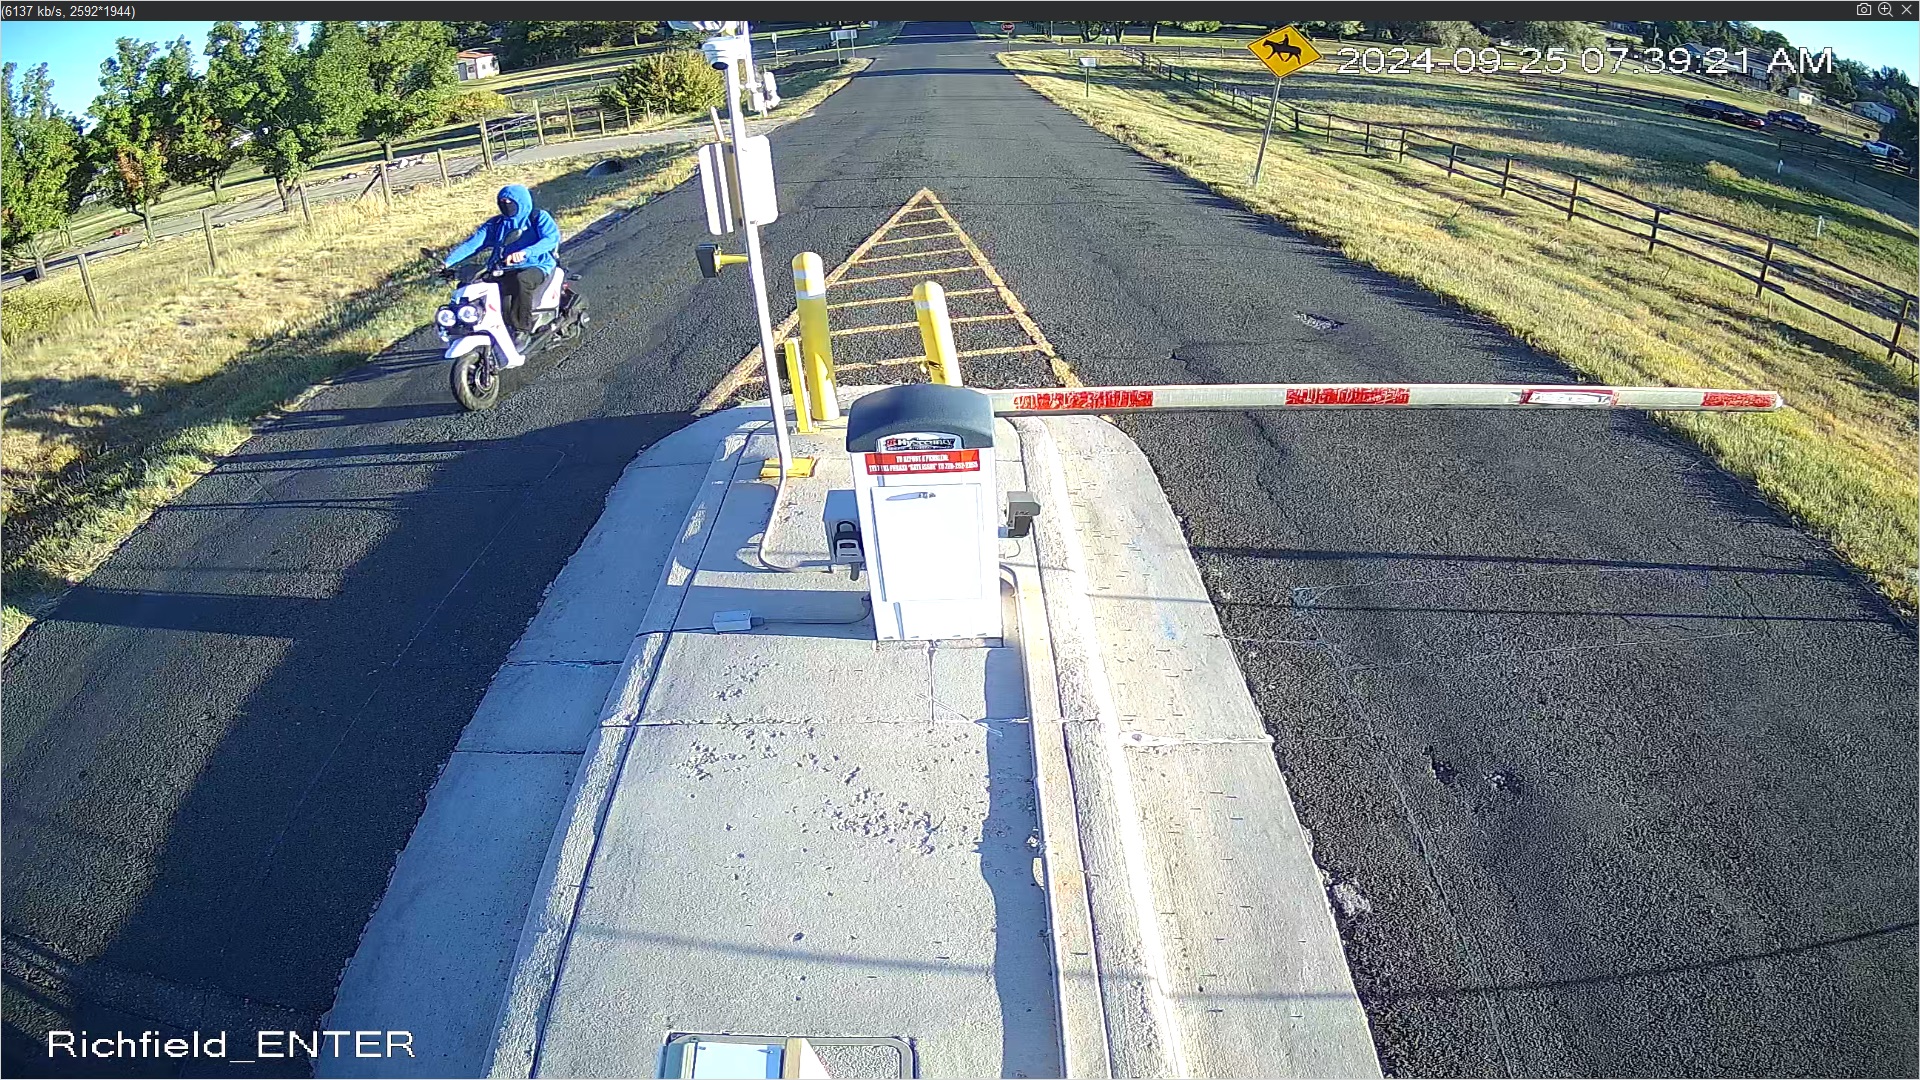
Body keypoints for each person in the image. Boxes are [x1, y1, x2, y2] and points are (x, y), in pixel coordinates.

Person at [442, 184, 560, 359]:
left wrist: (526, 253)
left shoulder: (537, 217)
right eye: (502, 201)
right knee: (474, 287)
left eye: (510, 201)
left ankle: (522, 329)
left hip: (536, 265)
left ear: (521, 201)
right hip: (502, 267)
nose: (505, 204)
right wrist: (447, 262)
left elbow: (551, 239)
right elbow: (473, 244)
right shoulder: (496, 224)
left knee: (522, 280)